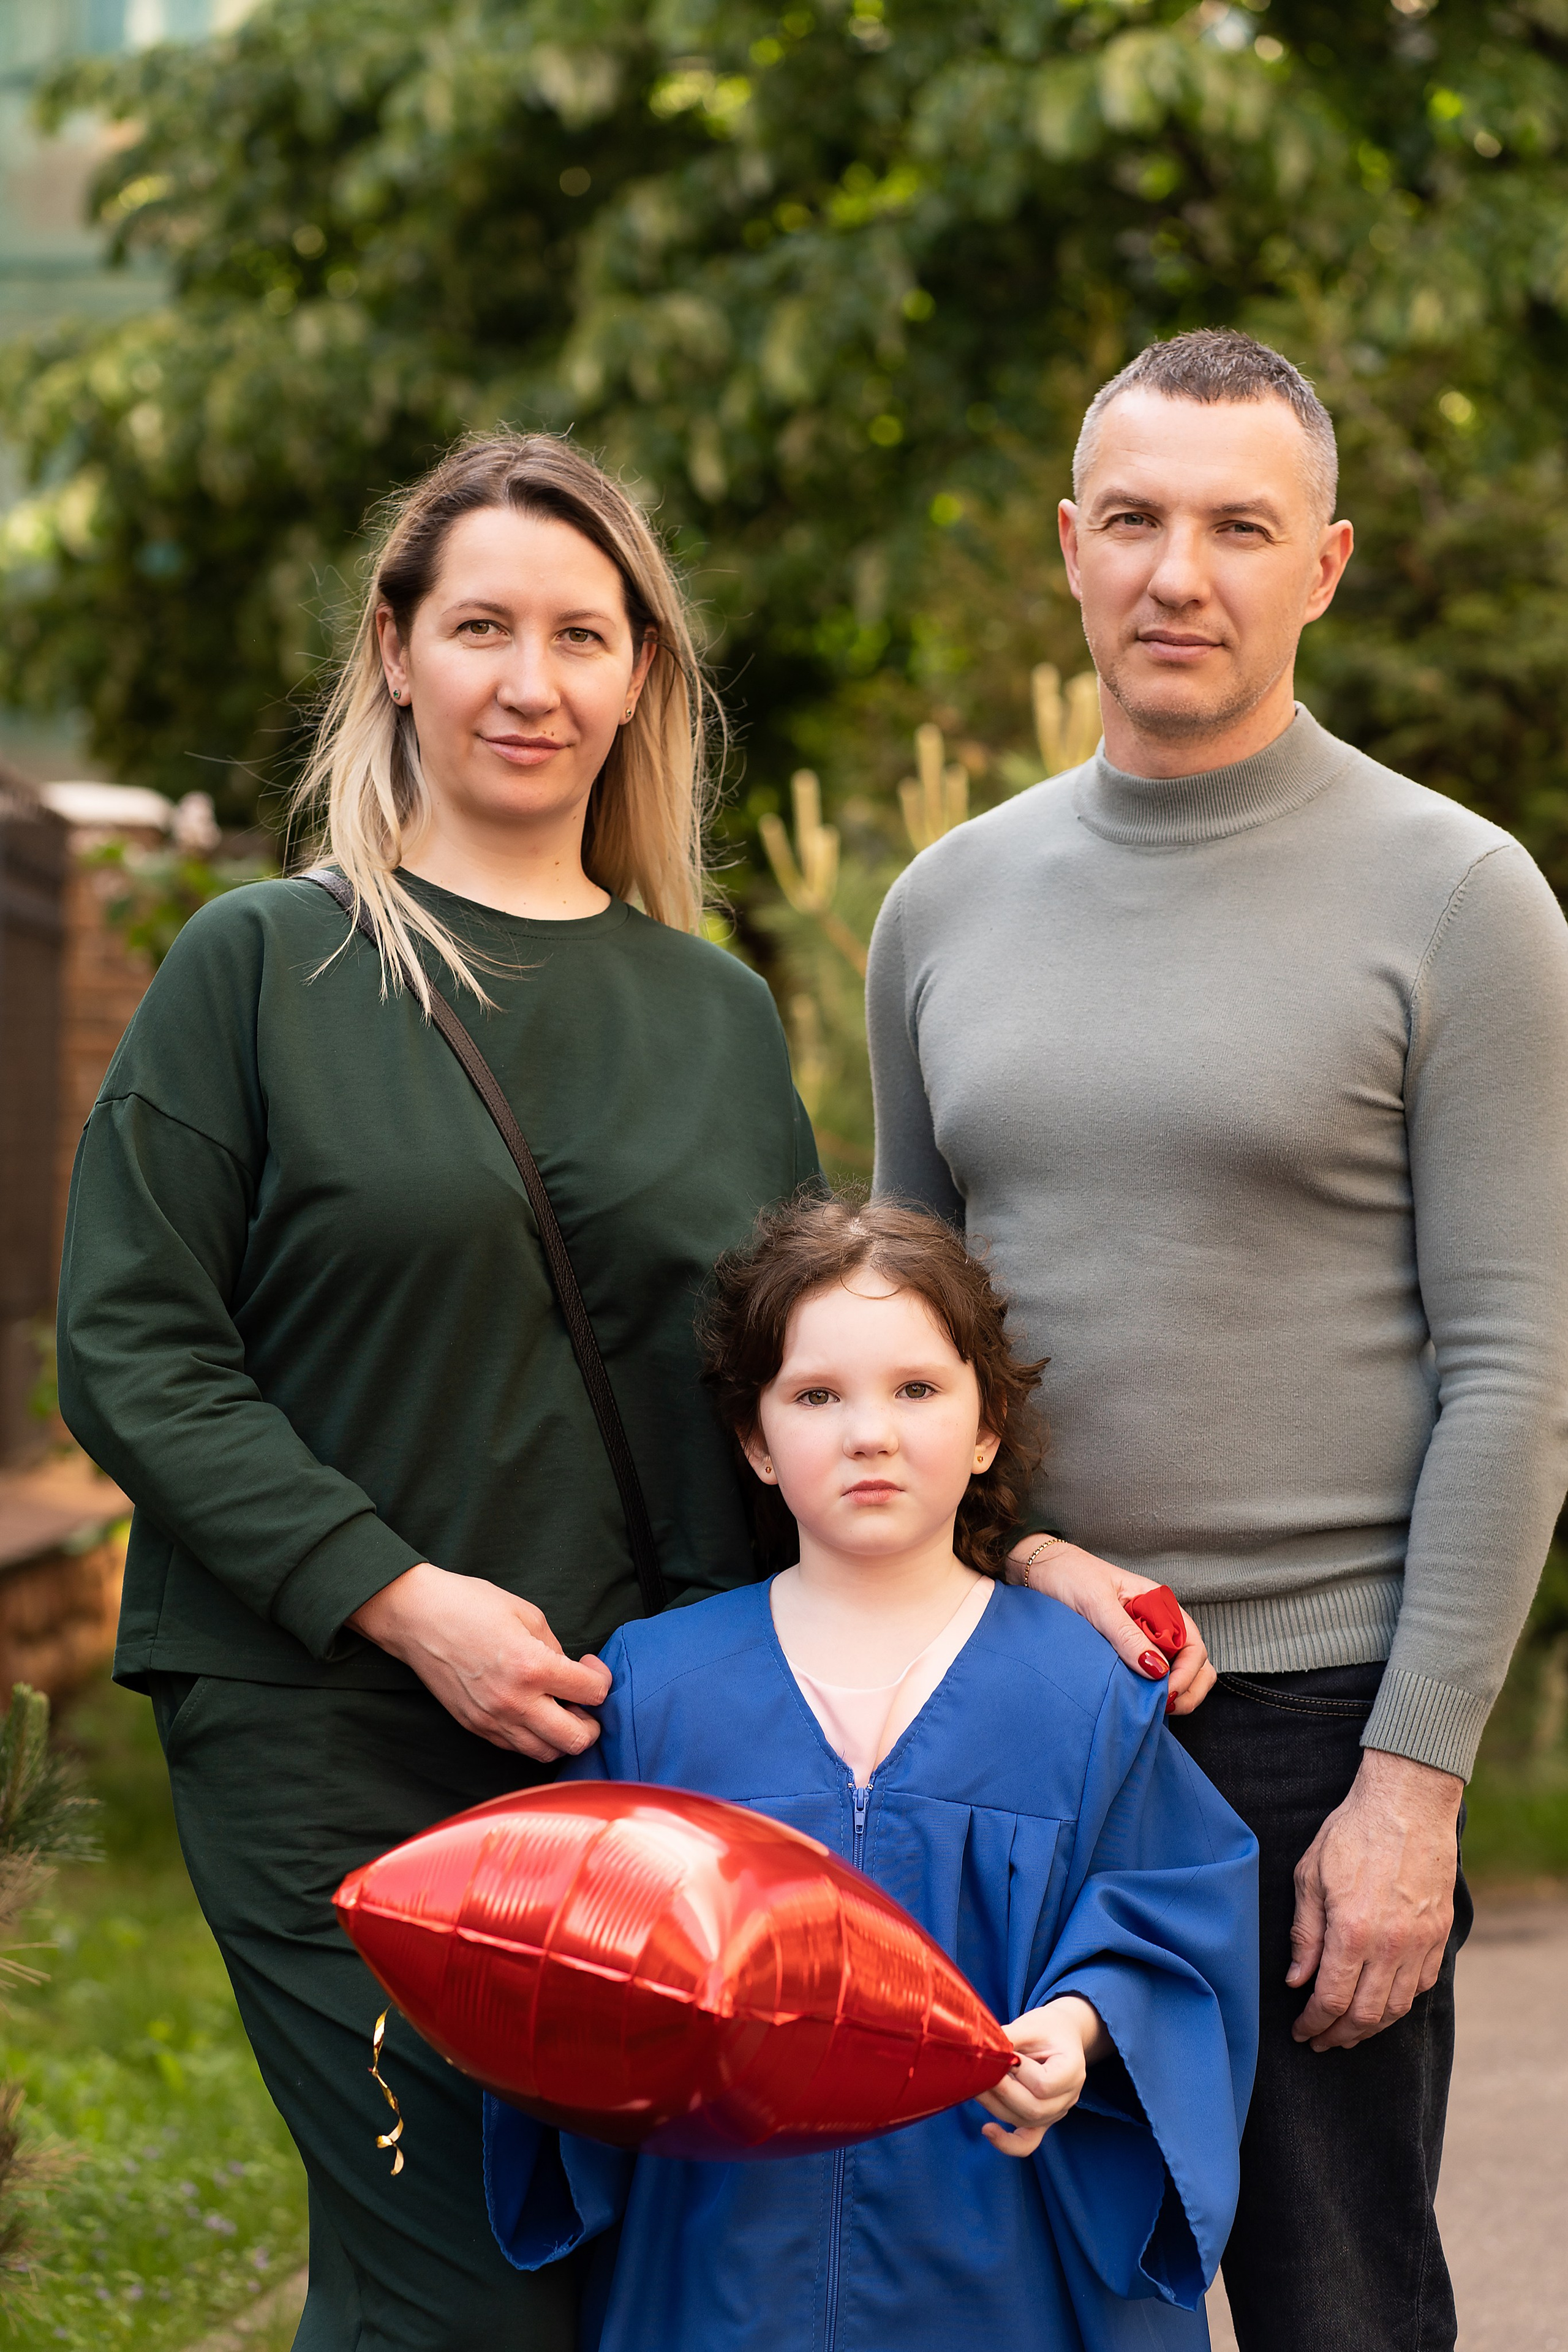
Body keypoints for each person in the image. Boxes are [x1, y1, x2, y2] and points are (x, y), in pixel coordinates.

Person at [55, 431, 819, 2352]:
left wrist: (997, 1570)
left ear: (637, 671)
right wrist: (409, 1603)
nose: (530, 680)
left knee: (601, 2282)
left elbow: (790, 1387)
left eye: (580, 634)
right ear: (397, 649)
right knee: (455, 2277)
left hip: (633, 1752)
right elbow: (134, 1345)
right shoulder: (263, 967)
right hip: (326, 1725)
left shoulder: (715, 1015)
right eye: (481, 625)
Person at [865, 326, 1568, 2350]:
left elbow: (1518, 1367)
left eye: (1239, 527)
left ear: (1323, 566)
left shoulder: (1459, 900)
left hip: (1313, 1731)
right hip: (1017, 1709)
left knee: (1340, 2301)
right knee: (1009, 2289)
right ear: (1069, 550)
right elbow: (920, 1343)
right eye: (1141, 522)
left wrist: (1417, 1783)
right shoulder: (946, 905)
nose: (1184, 573)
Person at [484, 1194, 1259, 2351]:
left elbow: (1176, 1918)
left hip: (1009, 2266)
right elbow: (564, 1969)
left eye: (917, 1389)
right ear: (754, 1439)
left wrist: (1086, 2026)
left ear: (988, 1424)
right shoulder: (652, 1689)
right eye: (815, 1396)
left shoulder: (1082, 1688)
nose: (870, 1434)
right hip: (721, 2269)